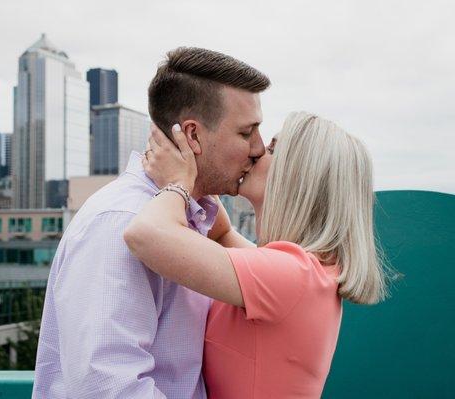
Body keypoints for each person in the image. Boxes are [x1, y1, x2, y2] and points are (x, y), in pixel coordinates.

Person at [32, 47, 270, 398]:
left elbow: (273, 283)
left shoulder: (191, 217)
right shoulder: (120, 222)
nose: (259, 148)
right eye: (246, 132)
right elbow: (109, 389)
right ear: (192, 136)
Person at [124, 112, 387, 398]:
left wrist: (177, 183)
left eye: (272, 149)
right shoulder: (305, 272)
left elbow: (145, 234)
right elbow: (221, 233)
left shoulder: (290, 276)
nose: (257, 151)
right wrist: (199, 172)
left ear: (297, 177)